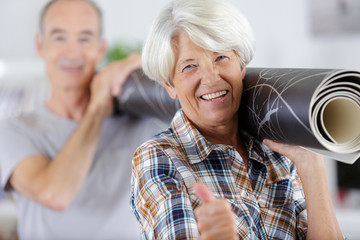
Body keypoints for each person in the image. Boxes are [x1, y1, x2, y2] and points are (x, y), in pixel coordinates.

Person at [131, 0, 344, 239]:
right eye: (189, 66)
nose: (211, 79)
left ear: (241, 66)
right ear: (170, 85)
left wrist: (312, 166)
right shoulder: (158, 158)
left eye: (220, 57)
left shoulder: (279, 154)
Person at [0, 0, 165, 239]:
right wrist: (98, 107)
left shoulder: (143, 124)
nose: (72, 52)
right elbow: (54, 194)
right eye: (59, 37)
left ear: (101, 48)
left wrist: (148, 62)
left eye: (85, 38)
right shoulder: (13, 131)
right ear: (40, 45)